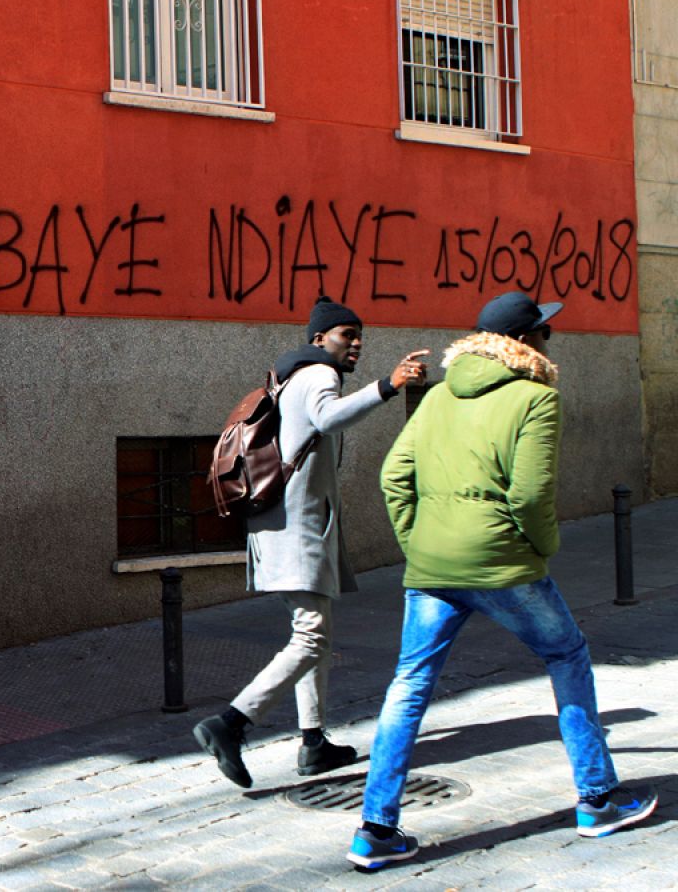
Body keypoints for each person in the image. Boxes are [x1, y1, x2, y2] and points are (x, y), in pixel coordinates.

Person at [347, 291, 656, 870]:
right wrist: (542, 548)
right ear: (526, 342)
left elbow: (394, 476)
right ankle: (597, 799)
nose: (551, 339)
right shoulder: (536, 398)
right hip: (503, 563)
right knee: (566, 655)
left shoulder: (438, 395)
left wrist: (419, 541)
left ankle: (374, 831)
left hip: (433, 566)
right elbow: (532, 494)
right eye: (545, 331)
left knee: (409, 685)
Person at [194, 297, 428, 788]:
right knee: (311, 636)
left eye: (360, 334)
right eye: (347, 334)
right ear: (320, 339)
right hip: (297, 528)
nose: (357, 343)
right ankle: (231, 723)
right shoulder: (320, 374)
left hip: (283, 525)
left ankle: (314, 743)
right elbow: (327, 418)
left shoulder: (291, 376)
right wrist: (388, 386)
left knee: (311, 634)